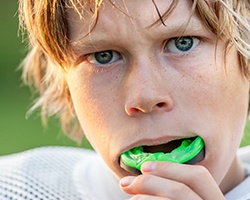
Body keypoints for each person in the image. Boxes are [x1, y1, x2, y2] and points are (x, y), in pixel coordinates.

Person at [0, 0, 250, 199]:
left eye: (182, 43)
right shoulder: (16, 188)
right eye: (104, 56)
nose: (145, 97)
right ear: (64, 85)